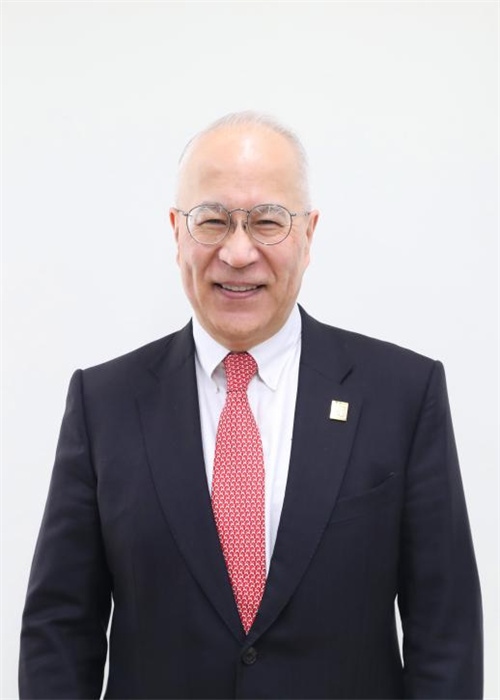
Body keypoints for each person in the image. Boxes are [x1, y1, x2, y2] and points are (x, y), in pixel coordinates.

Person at [19, 111, 483, 699]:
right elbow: (60, 630)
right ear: (177, 232)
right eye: (212, 221)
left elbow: (445, 630)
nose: (238, 253)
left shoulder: (402, 395)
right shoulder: (104, 403)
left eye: (267, 222)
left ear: (309, 235)